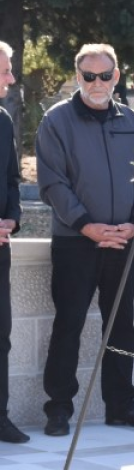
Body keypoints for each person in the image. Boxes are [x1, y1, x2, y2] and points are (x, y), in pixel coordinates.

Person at [36, 43, 134, 436]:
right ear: (77, 77)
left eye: (105, 75)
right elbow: (52, 182)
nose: (97, 83)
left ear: (117, 77)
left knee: (121, 325)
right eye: (89, 76)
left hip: (124, 240)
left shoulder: (133, 121)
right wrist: (87, 226)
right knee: (69, 324)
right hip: (77, 241)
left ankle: (121, 404)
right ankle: (58, 409)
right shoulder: (56, 121)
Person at [0, 42, 28, 444]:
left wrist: (13, 220)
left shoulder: (4, 120)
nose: (10, 78)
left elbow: (11, 181)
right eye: (4, 71)